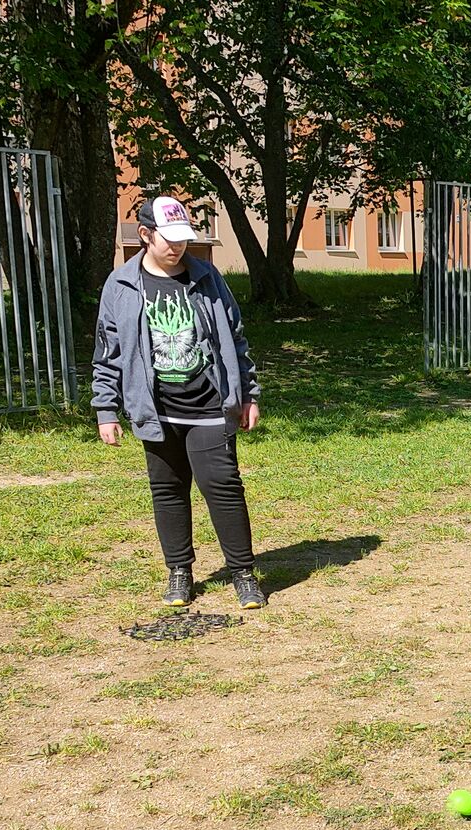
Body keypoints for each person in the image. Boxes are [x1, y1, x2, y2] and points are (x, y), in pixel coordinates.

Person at [93, 195, 266, 610]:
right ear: (145, 235)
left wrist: (248, 394)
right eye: (168, 239)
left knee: (222, 486)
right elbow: (108, 350)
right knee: (167, 490)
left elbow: (236, 338)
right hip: (155, 408)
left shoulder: (207, 278)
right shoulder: (120, 286)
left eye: (183, 239)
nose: (177, 247)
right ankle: (179, 572)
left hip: (209, 403)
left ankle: (242, 573)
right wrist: (106, 408)